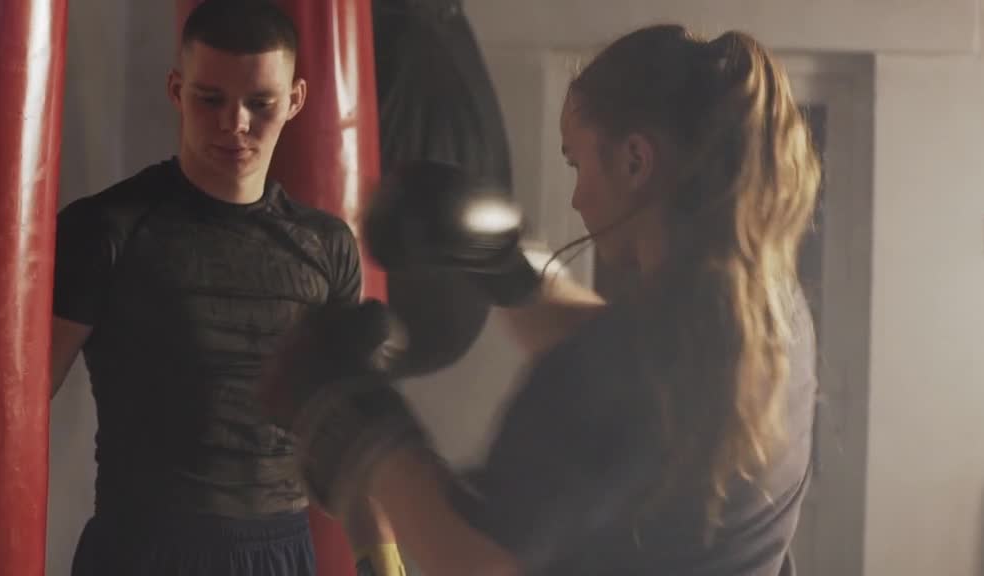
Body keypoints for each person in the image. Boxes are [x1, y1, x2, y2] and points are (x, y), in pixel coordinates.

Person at [266, 24, 822, 575]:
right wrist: (508, 267)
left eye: (579, 163)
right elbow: (620, 386)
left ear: (635, 161)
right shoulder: (774, 310)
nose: (578, 197)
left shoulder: (616, 370)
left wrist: (353, 419)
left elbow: (477, 560)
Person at [50, 1, 402, 574]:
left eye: (259, 103)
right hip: (142, 549)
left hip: (279, 551)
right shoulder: (108, 229)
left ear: (295, 101)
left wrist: (384, 562)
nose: (234, 123)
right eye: (209, 98)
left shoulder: (326, 246)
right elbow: (11, 405)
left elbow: (349, 424)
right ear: (176, 89)